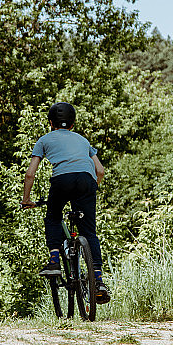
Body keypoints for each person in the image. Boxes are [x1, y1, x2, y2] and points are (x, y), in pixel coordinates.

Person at [21, 102, 110, 304]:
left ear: (50, 123)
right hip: (87, 181)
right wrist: (92, 188)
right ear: (72, 124)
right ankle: (98, 279)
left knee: (53, 218)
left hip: (62, 181)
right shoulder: (83, 140)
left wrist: (26, 199)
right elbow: (101, 170)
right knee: (89, 232)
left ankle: (54, 261)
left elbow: (30, 174)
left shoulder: (44, 139)